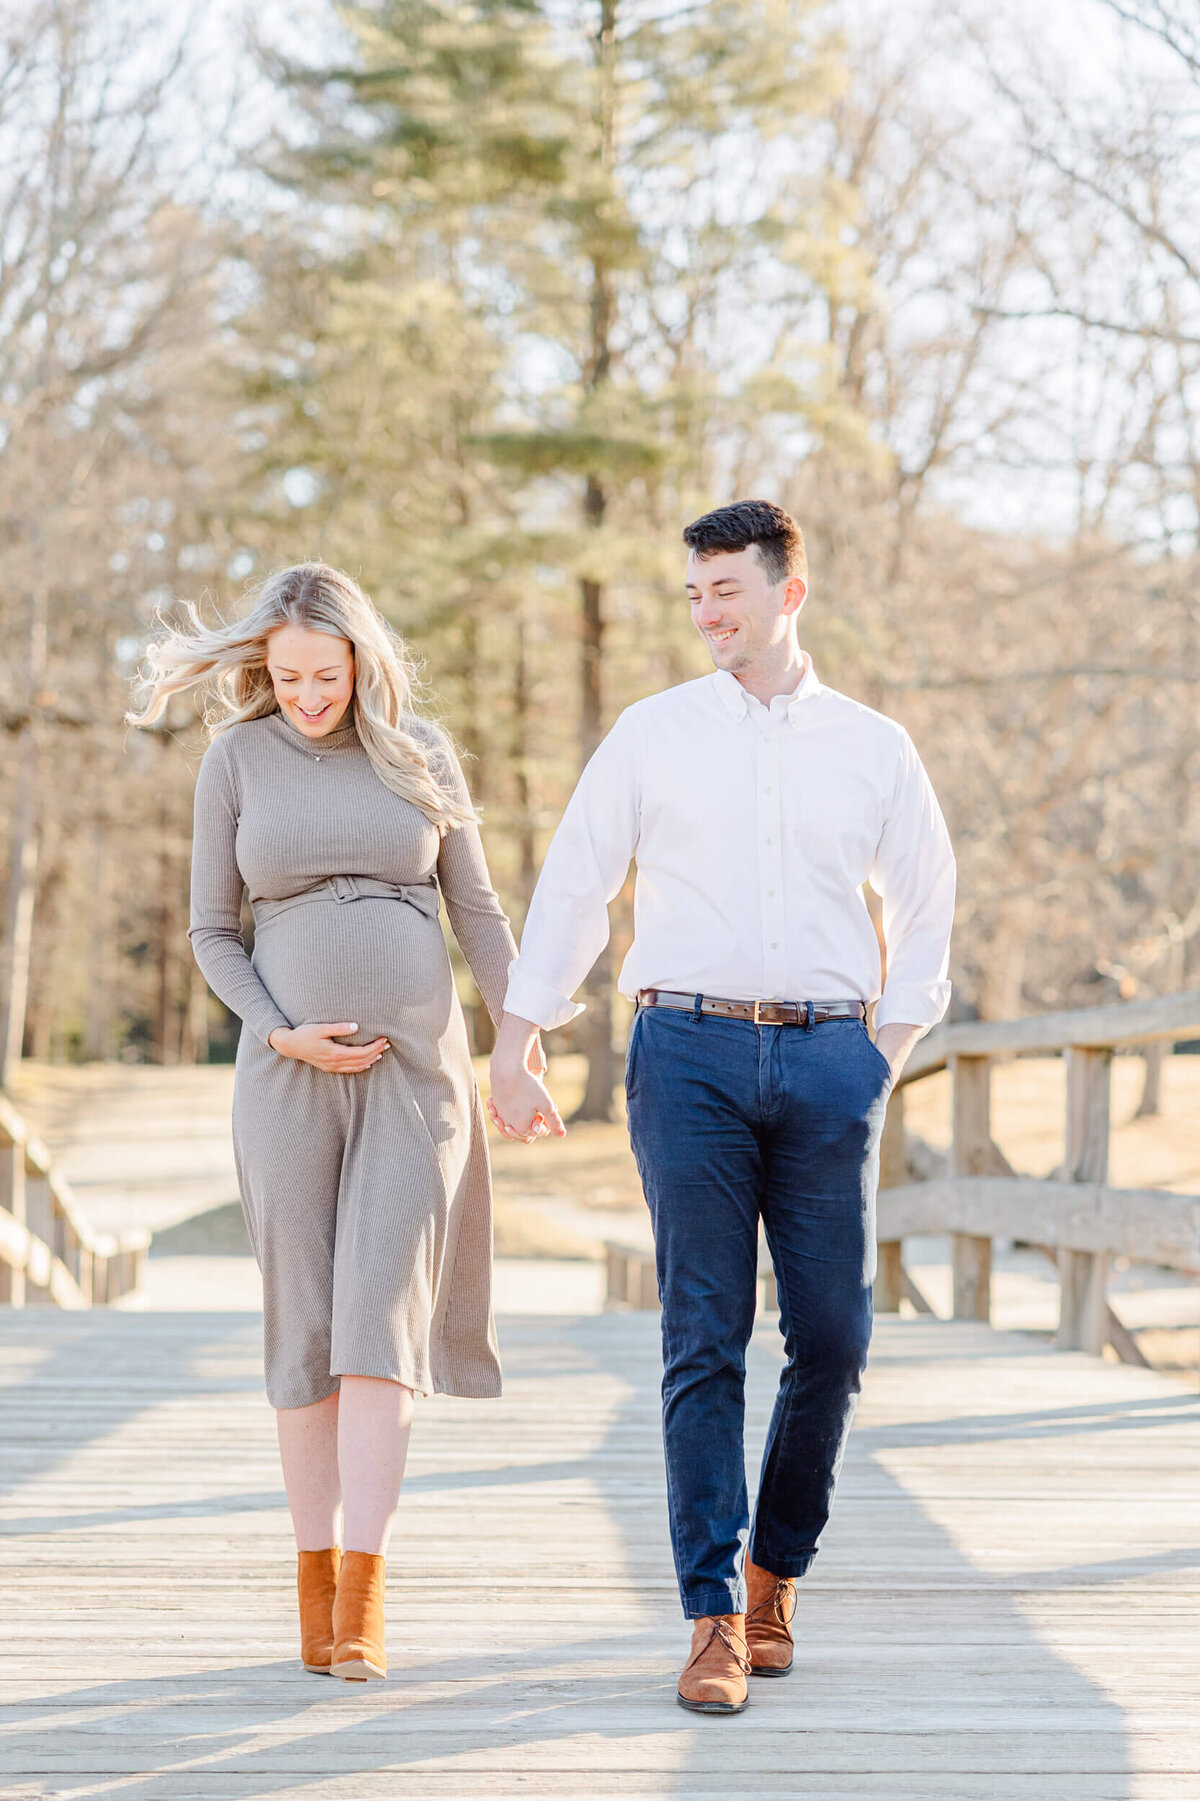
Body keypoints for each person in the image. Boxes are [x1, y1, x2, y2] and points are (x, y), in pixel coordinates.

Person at [488, 500, 955, 1715]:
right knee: (703, 1331)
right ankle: (709, 1619)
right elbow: (576, 883)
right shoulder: (653, 736)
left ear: (788, 592)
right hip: (684, 1048)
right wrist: (518, 1034)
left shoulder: (873, 745)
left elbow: (927, 900)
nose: (706, 615)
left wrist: (882, 1052)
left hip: (826, 1060)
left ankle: (772, 1572)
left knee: (836, 1338)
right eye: (694, 595)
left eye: (726, 594)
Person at [129, 562, 520, 1682]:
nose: (307, 695)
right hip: (286, 1073)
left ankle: (363, 1600)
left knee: (379, 1331)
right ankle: (310, 1593)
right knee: (305, 1328)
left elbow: (479, 912)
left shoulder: (421, 751)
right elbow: (212, 931)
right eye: (287, 676)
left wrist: (523, 1036)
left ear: (364, 660)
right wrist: (276, 1027)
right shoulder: (236, 759)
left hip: (416, 1076)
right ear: (264, 667)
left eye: (326, 674)